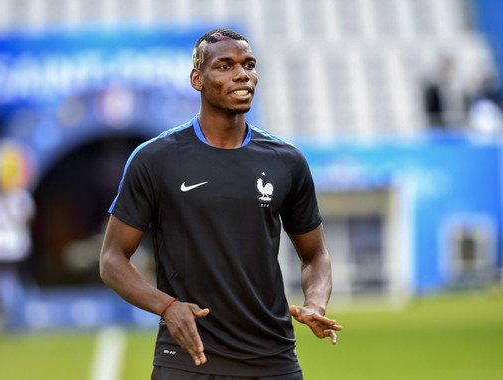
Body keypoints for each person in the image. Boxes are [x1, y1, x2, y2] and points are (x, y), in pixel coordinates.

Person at [100, 28, 341, 379]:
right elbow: (111, 259)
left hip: (272, 359)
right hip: (186, 358)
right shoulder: (155, 159)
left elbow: (316, 254)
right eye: (225, 66)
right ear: (197, 79)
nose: (242, 74)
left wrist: (315, 303)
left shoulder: (286, 161)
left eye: (249, 64)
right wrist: (167, 307)